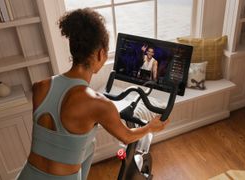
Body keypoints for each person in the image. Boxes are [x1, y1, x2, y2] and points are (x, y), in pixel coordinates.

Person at [16, 8, 169, 180]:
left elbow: (57, 141)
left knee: (90, 145)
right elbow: (126, 137)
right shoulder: (99, 104)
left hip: (27, 175)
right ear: (101, 53)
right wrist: (150, 127)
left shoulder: (40, 87)